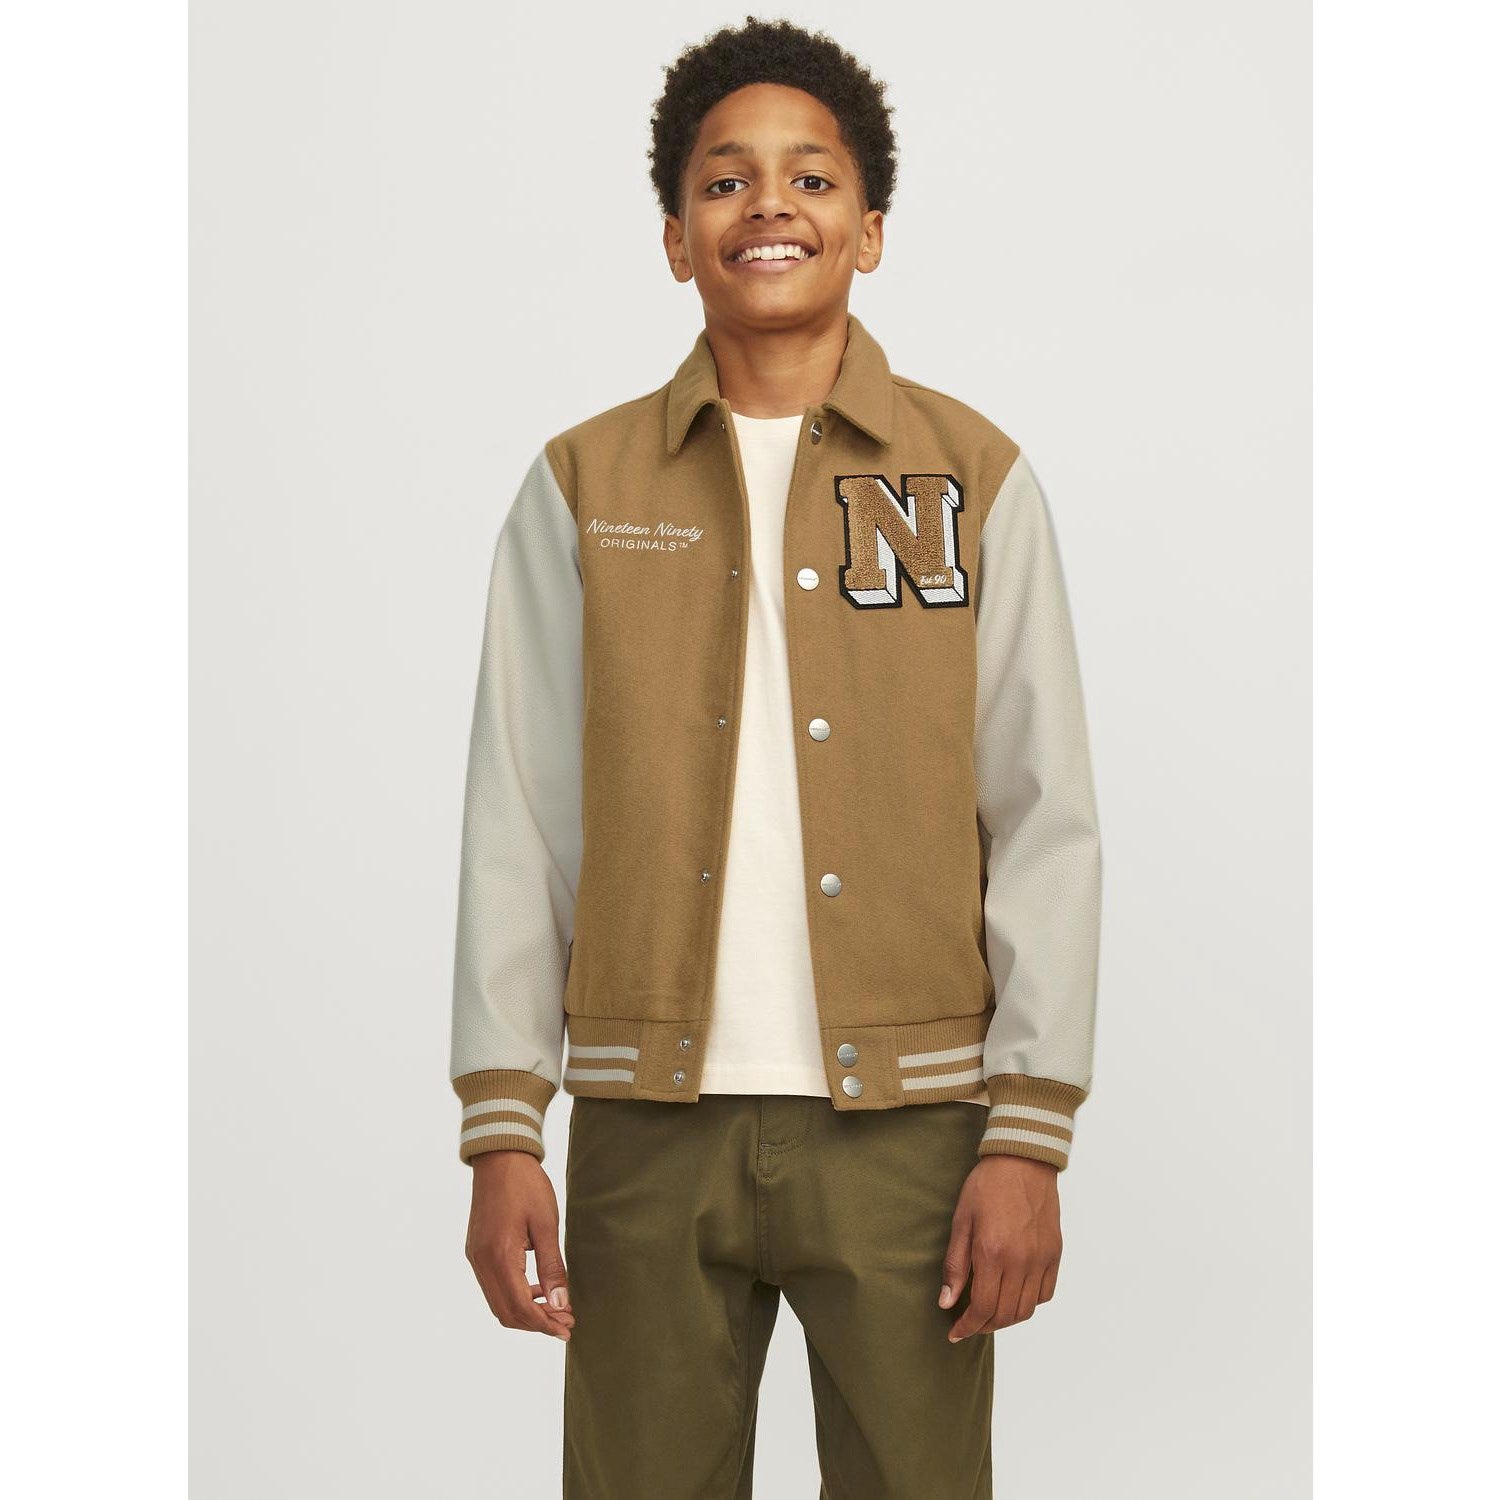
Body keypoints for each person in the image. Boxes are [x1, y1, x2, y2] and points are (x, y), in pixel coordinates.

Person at [449, 17, 1102, 1497]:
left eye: (812, 178)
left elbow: (1045, 814)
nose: (769, 206)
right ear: (675, 234)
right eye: (724, 179)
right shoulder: (582, 484)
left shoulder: (972, 479)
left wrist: (1028, 1133)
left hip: (914, 1137)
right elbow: (519, 815)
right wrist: (503, 1124)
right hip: (643, 1132)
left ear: (869, 229)